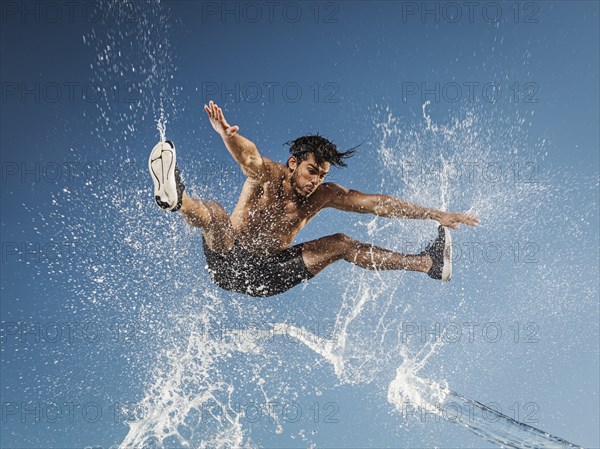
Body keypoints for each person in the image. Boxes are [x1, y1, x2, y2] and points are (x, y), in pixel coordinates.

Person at [148, 100, 479, 297]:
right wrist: (226, 136)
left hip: (267, 274)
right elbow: (249, 157)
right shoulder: (268, 176)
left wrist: (436, 214)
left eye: (322, 174)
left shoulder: (324, 195)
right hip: (228, 262)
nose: (316, 181)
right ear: (294, 163)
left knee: (342, 243)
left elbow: (375, 203)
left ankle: (429, 264)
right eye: (311, 171)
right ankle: (177, 199)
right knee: (215, 214)